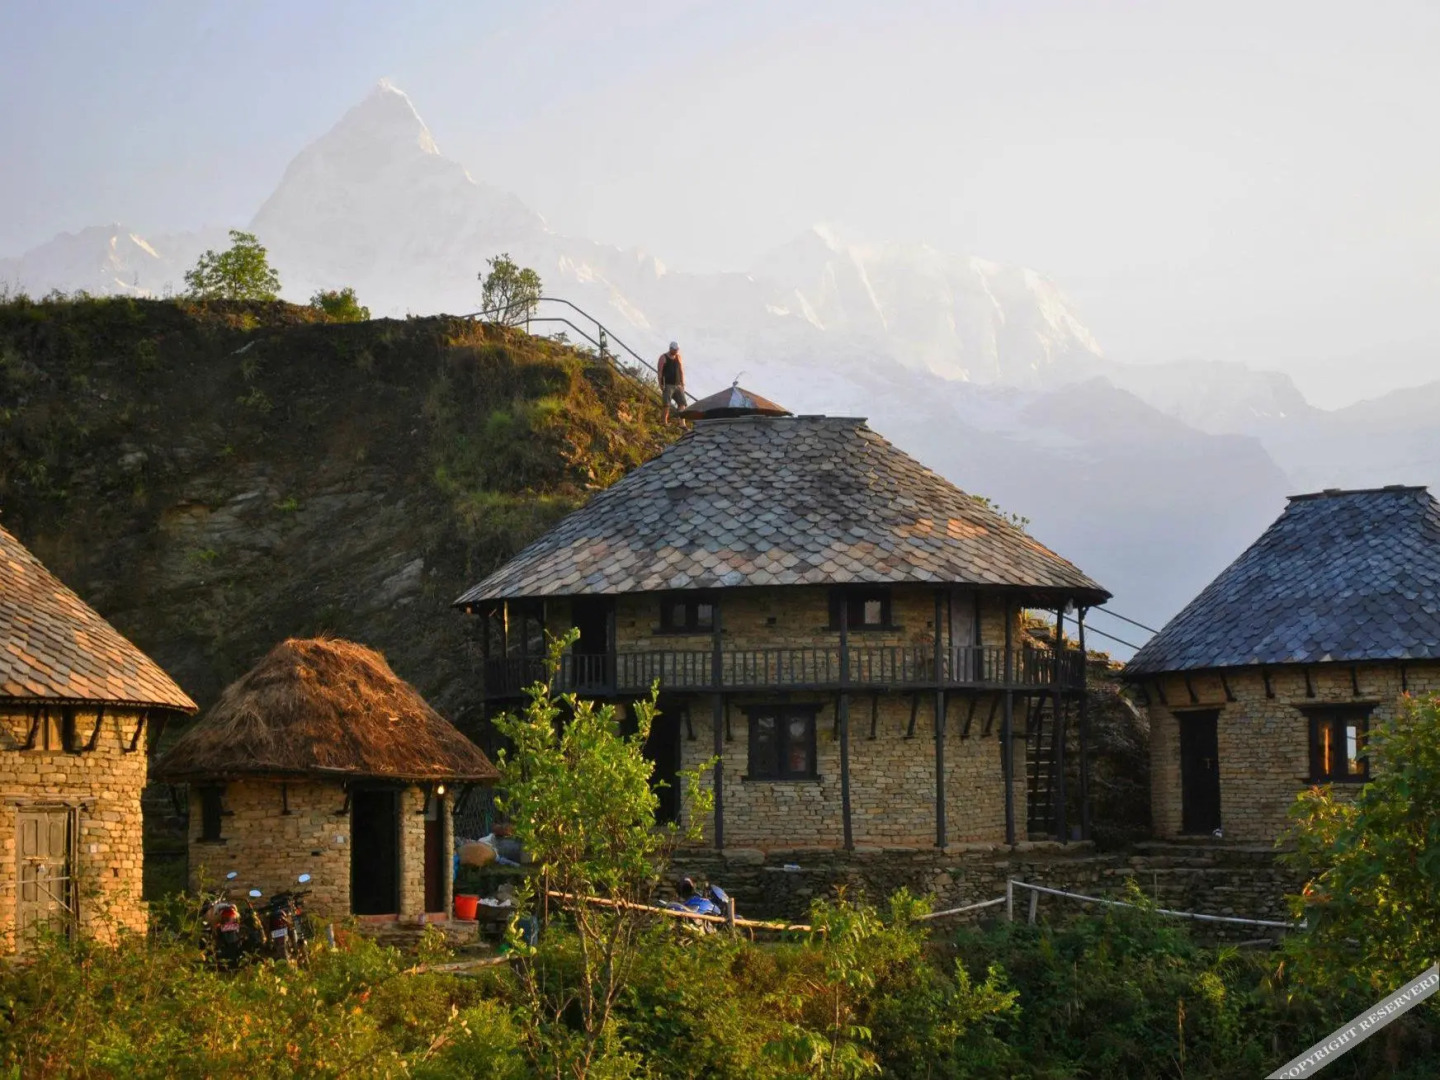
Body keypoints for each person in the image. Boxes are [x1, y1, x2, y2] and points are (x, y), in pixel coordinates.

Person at [657, 341, 685, 424]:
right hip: (668, 384)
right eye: (675, 350)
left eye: (677, 350)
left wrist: (682, 383)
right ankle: (664, 422)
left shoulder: (678, 357)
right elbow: (660, 371)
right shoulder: (663, 357)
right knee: (667, 404)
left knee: (682, 403)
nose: (676, 351)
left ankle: (682, 423)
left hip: (678, 385)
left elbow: (681, 370)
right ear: (670, 349)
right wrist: (660, 383)